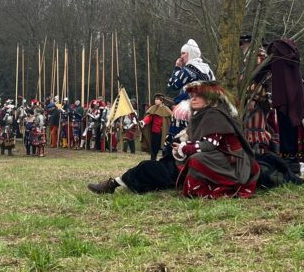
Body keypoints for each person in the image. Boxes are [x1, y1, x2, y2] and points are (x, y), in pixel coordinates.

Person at [88, 81, 259, 198]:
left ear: (209, 98)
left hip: (223, 166)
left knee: (149, 168)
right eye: (191, 96)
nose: (193, 99)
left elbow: (210, 145)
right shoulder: (203, 115)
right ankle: (116, 183)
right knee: (149, 167)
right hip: (198, 161)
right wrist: (181, 147)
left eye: (198, 96)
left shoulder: (215, 115)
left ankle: (113, 185)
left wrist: (184, 148)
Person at [267, 39, 304, 171]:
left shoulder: (290, 68)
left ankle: (299, 161)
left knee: (298, 135)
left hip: (298, 110)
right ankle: (291, 160)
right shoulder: (289, 67)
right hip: (294, 108)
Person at [140, 93, 172, 160]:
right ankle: (153, 161)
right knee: (154, 149)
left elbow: (170, 119)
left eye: (157, 99)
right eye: (155, 99)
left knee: (165, 148)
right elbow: (149, 117)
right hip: (155, 132)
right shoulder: (153, 109)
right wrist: (143, 122)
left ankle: (164, 162)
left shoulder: (167, 110)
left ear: (161, 100)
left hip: (164, 133)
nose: (155, 101)